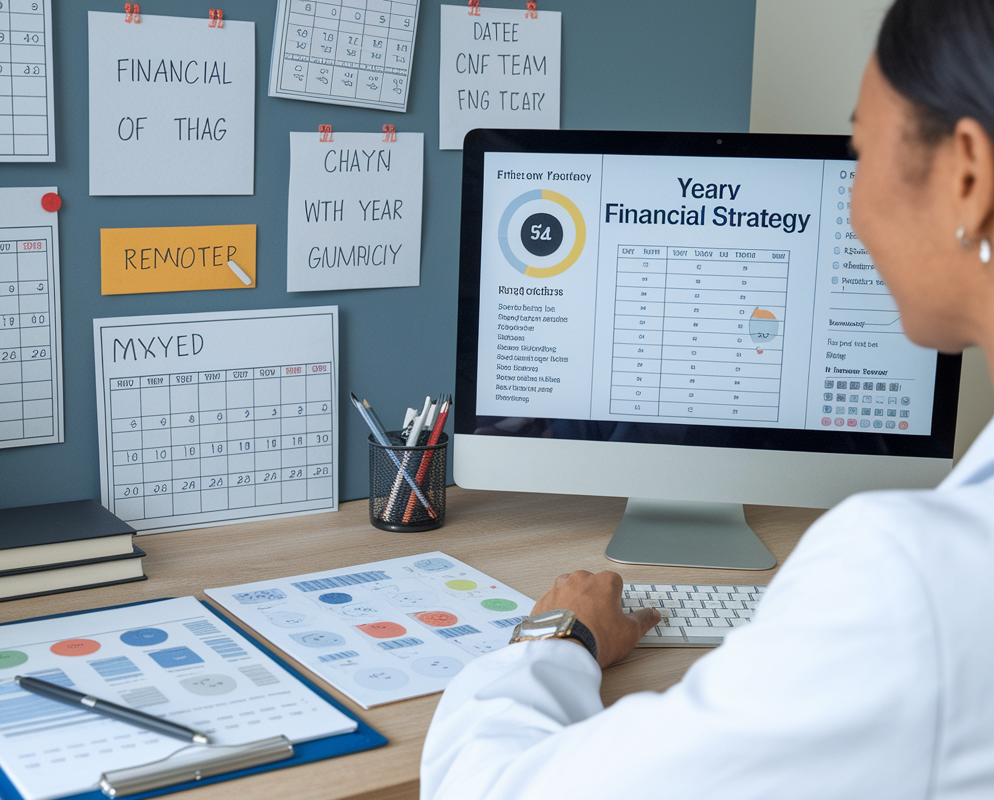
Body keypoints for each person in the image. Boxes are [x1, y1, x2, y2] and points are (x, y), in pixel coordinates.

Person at [420, 0, 994, 796]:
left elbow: (491, 788)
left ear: (968, 176)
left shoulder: (910, 579)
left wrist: (558, 637)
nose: (852, 212)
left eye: (861, 155)